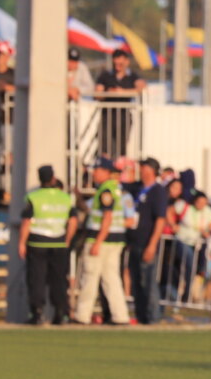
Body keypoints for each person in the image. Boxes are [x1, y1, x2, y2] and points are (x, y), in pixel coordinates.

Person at [73, 157, 130, 325]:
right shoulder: (116, 189)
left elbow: (107, 217)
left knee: (90, 277)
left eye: (97, 170)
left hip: (102, 240)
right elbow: (93, 210)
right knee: (111, 279)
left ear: (106, 172)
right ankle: (120, 316)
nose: (94, 174)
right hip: (114, 240)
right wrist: (79, 199)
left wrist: (98, 242)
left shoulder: (106, 190)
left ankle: (82, 316)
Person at [19, 166, 76, 324]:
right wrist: (67, 240)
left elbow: (26, 222)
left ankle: (37, 314)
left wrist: (22, 243)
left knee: (37, 279)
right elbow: (73, 221)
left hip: (37, 243)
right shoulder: (65, 197)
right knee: (58, 280)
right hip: (59, 243)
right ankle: (60, 313)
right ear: (53, 178)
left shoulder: (33, 197)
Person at [127, 158, 166, 324]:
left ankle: (153, 317)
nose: (141, 171)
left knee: (148, 282)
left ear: (152, 171)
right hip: (134, 242)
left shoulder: (158, 191)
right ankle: (141, 315)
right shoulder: (137, 188)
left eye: (144, 168)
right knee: (136, 282)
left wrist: (152, 245)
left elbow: (160, 219)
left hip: (146, 242)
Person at [94, 50, 145, 159]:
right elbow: (97, 93)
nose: (118, 67)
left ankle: (119, 168)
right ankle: (105, 166)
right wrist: (109, 93)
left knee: (121, 146)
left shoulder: (132, 76)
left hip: (124, 116)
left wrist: (122, 92)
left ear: (127, 62)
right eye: (115, 64)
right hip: (107, 116)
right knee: (105, 145)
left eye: (120, 64)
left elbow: (141, 88)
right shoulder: (106, 75)